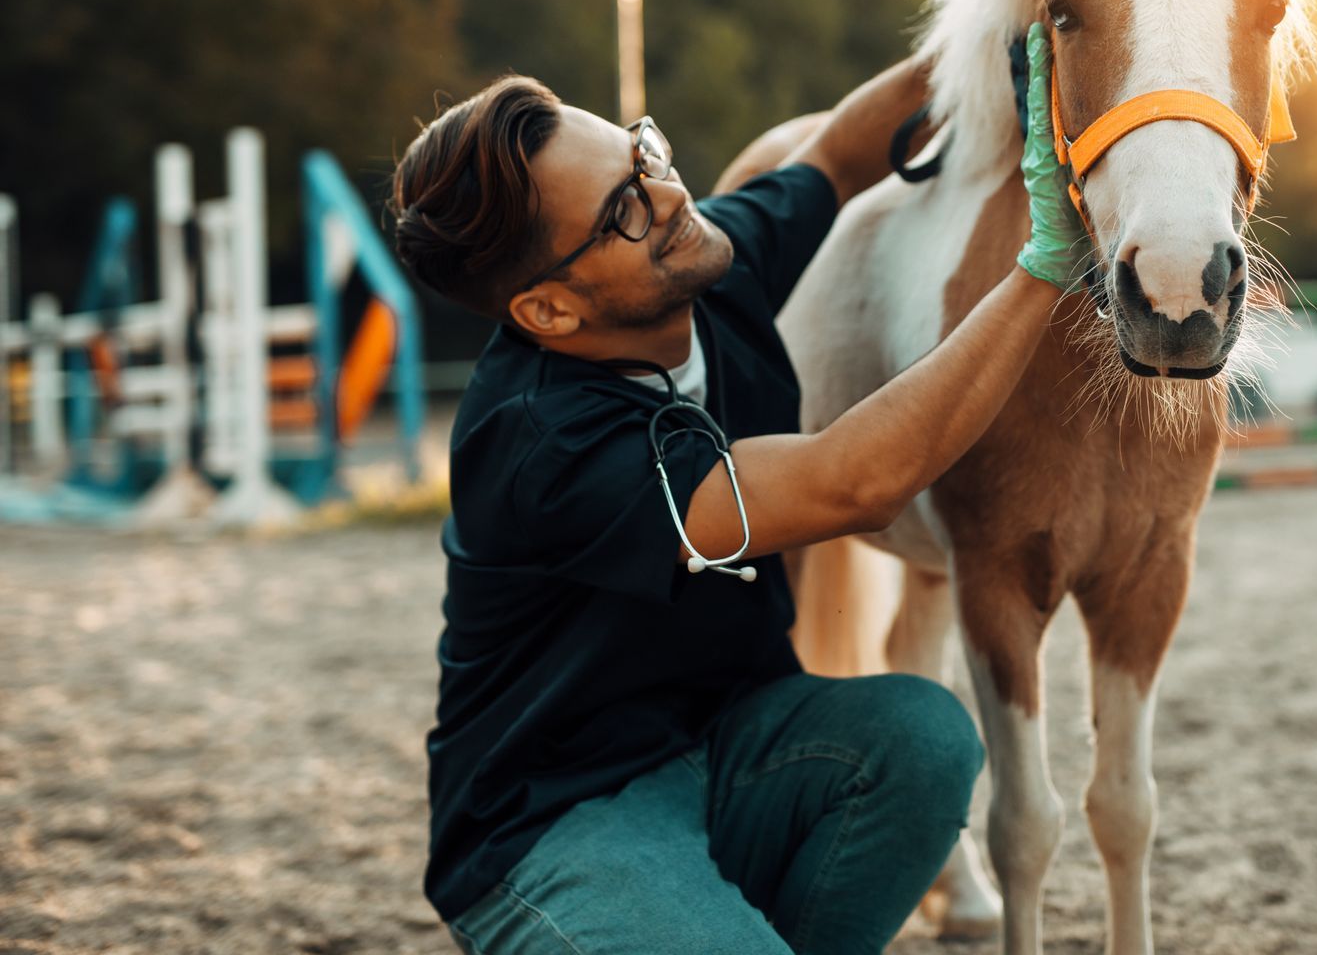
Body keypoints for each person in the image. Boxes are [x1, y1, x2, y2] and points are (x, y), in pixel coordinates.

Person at [387, 50, 1085, 955]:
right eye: (623, 209)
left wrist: (979, 45)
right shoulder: (546, 442)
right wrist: (1042, 266)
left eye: (644, 155)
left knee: (918, 741)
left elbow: (834, 158)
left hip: (725, 755)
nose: (670, 196)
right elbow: (856, 482)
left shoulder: (697, 263)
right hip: (561, 817)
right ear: (550, 310)